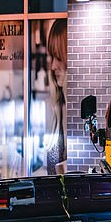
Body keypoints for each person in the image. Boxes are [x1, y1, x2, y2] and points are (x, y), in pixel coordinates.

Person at [45, 19, 67, 175]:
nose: (53, 66)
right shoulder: (57, 106)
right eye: (52, 57)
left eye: (58, 58)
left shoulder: (71, 112)